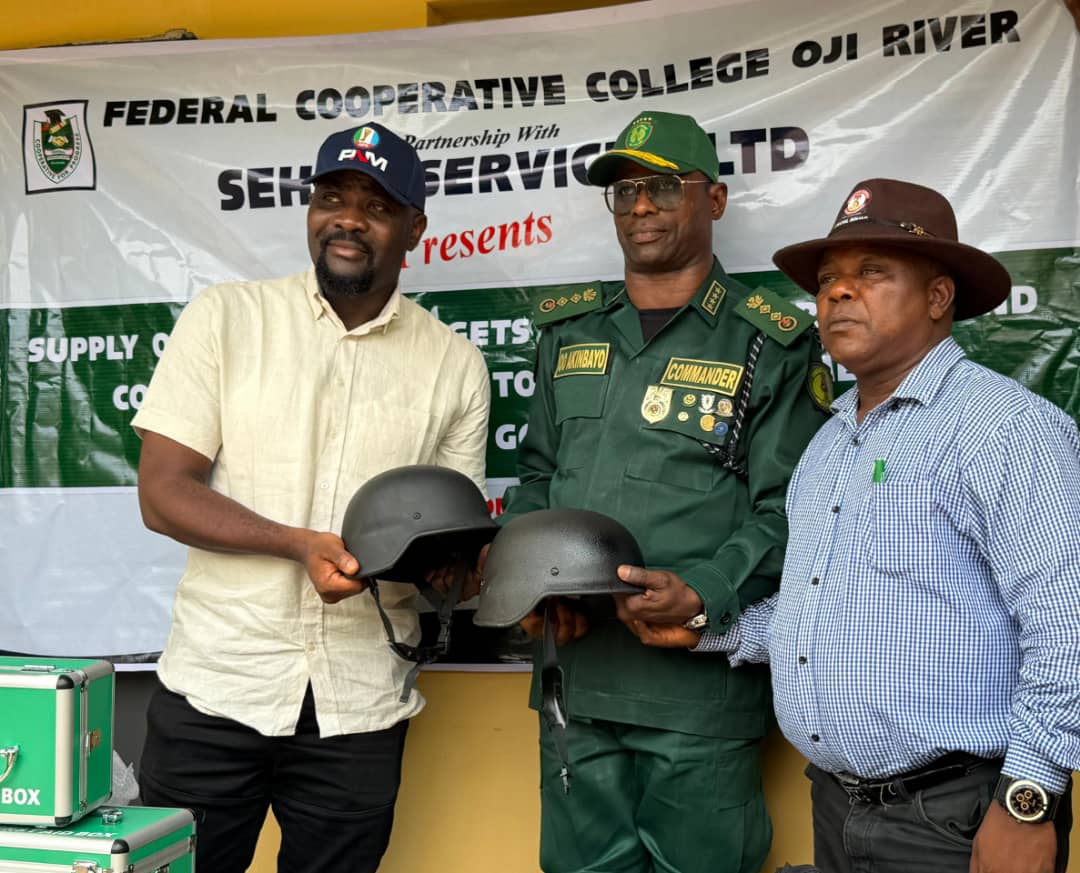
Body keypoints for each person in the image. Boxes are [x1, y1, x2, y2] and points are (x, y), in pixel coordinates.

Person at [684, 178, 1079, 873]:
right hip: (839, 806)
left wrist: (1029, 798)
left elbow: (1068, 621)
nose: (837, 291)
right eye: (829, 278)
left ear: (936, 298)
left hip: (955, 815)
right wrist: (699, 625)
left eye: (871, 272)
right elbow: (814, 608)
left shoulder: (1004, 429)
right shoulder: (831, 440)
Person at [131, 123, 490, 872]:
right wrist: (299, 543)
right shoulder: (227, 319)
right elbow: (163, 494)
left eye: (376, 204)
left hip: (358, 704)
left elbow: (453, 541)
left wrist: (455, 570)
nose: (348, 218)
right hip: (216, 686)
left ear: (415, 227)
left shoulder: (454, 364)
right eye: (331, 197)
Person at [495, 111, 830, 873]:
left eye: (662, 187)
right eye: (623, 192)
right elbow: (539, 479)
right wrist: (533, 587)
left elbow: (793, 507)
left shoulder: (767, 341)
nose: (640, 206)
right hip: (574, 682)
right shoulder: (566, 330)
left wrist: (708, 590)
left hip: (697, 691)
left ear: (711, 200)